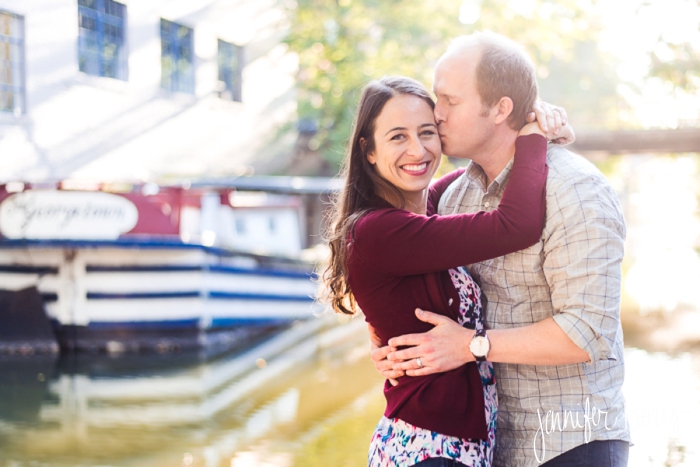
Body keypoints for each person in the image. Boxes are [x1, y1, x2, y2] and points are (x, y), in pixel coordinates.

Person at [371, 32, 630, 467]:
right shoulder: (454, 195)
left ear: (500, 109)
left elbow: (589, 330)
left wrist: (472, 346)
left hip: (571, 442)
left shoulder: (575, 191)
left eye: (449, 101)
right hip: (491, 444)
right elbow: (388, 256)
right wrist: (388, 342)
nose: (437, 114)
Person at [320, 74, 571, 466]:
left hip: (450, 449)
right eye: (397, 137)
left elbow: (486, 167)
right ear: (368, 150)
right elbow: (516, 223)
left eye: (426, 132)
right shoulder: (380, 231)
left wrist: (528, 121)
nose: (417, 150)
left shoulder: (415, 214)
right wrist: (532, 138)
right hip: (430, 451)